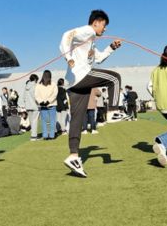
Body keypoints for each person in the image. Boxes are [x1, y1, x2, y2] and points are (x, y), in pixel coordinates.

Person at [59, 9, 122, 177]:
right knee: (115, 78)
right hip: (81, 76)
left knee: (77, 120)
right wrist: (68, 57)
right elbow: (67, 35)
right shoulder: (87, 31)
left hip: (73, 84)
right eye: (104, 25)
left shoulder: (91, 40)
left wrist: (111, 47)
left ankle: (73, 156)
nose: (105, 29)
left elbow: (98, 58)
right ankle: (113, 112)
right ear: (96, 23)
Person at [35, 70, 58, 140]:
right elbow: (55, 94)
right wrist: (48, 101)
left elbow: (36, 95)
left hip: (43, 105)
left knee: (44, 121)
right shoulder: (53, 84)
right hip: (51, 104)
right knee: (52, 121)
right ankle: (51, 136)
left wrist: (41, 102)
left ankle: (45, 135)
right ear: (50, 76)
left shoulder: (38, 85)